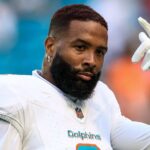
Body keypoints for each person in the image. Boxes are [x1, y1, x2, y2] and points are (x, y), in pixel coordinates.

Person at [0, 4, 150, 150]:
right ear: (50, 47)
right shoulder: (15, 94)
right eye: (80, 47)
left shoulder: (102, 98)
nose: (91, 61)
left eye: (99, 52)